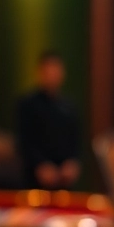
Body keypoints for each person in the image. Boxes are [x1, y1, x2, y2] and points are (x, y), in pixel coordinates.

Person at [15, 50, 80, 189]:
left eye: (56, 70)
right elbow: (24, 141)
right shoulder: (27, 105)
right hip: (34, 180)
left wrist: (72, 164)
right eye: (49, 71)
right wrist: (40, 166)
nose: (53, 75)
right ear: (40, 73)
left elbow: (76, 141)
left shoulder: (69, 107)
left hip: (64, 181)